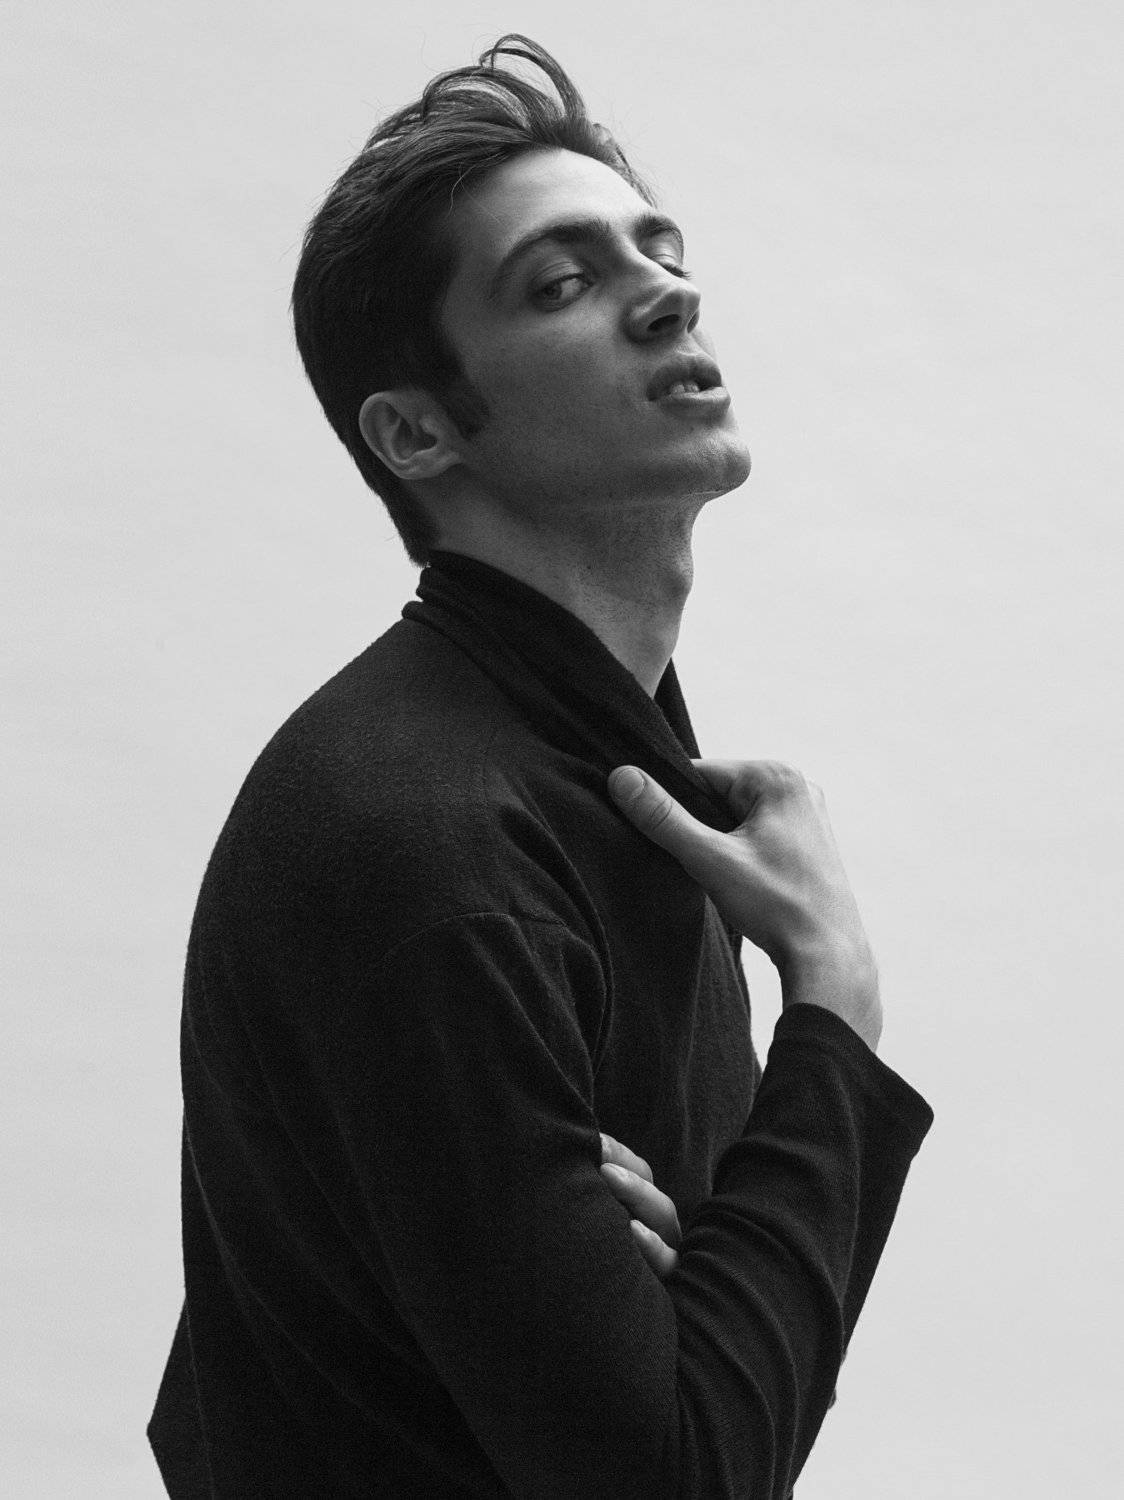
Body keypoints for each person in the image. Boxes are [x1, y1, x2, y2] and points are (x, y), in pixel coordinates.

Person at [147, 34, 933, 1499]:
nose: (668, 293)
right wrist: (835, 1000)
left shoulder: (586, 772)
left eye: (661, 251)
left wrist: (652, 1300)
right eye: (563, 283)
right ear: (416, 432)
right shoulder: (428, 844)